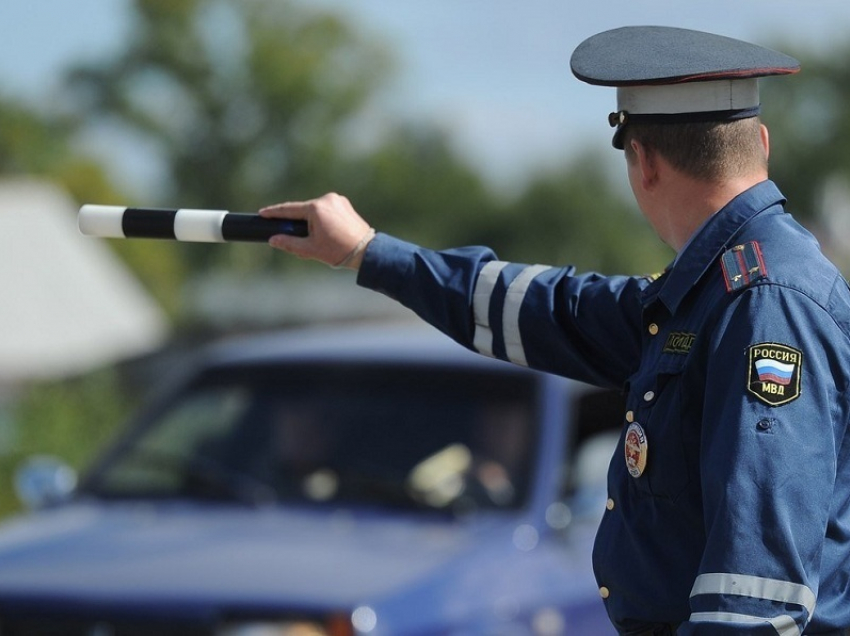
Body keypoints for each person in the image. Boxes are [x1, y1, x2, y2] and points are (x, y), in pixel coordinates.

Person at [259, 25, 850, 635]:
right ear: (761, 142)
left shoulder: (762, 304)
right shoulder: (715, 293)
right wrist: (368, 251)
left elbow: (753, 601)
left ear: (642, 161)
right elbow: (550, 309)